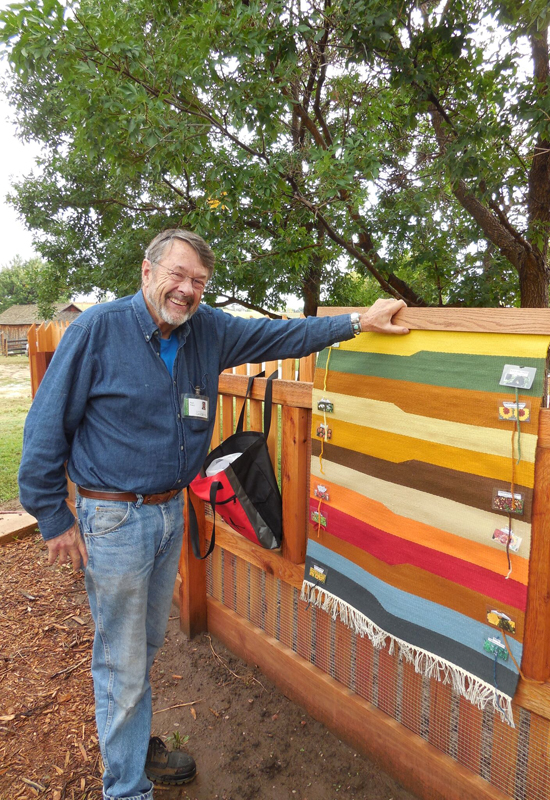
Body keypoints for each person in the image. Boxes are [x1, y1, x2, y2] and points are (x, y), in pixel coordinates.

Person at [18, 229, 410, 800]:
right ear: (147, 272)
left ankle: (131, 744)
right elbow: (45, 425)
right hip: (113, 521)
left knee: (146, 643)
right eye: (177, 275)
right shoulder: (99, 330)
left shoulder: (209, 330)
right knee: (121, 663)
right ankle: (126, 789)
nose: (186, 290)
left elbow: (282, 335)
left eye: (198, 281)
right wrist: (53, 516)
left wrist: (356, 322)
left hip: (168, 514)